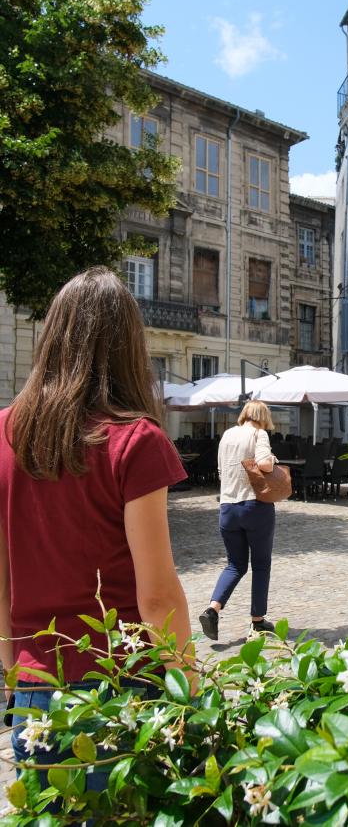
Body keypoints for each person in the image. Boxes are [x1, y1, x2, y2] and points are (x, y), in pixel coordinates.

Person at [0, 267, 194, 784]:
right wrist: (191, 690)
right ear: (128, 344)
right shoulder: (135, 440)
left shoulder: (4, 432)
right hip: (121, 687)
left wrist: (14, 673)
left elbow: (2, 581)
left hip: (36, 691)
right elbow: (157, 596)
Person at [200, 400, 277, 641]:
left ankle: (213, 609)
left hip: (227, 507)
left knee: (235, 564)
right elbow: (264, 463)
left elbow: (222, 472)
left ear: (244, 414)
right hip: (254, 506)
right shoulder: (258, 433)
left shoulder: (227, 435)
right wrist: (272, 460)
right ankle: (257, 621)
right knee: (261, 564)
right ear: (263, 416)